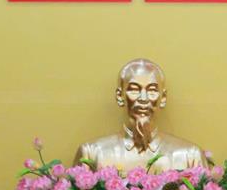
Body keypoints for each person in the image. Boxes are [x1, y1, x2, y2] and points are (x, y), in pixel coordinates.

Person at [74, 58, 205, 173]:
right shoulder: (92, 153)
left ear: (163, 98)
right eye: (134, 90)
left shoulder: (190, 155)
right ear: (120, 96)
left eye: (152, 90)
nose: (143, 98)